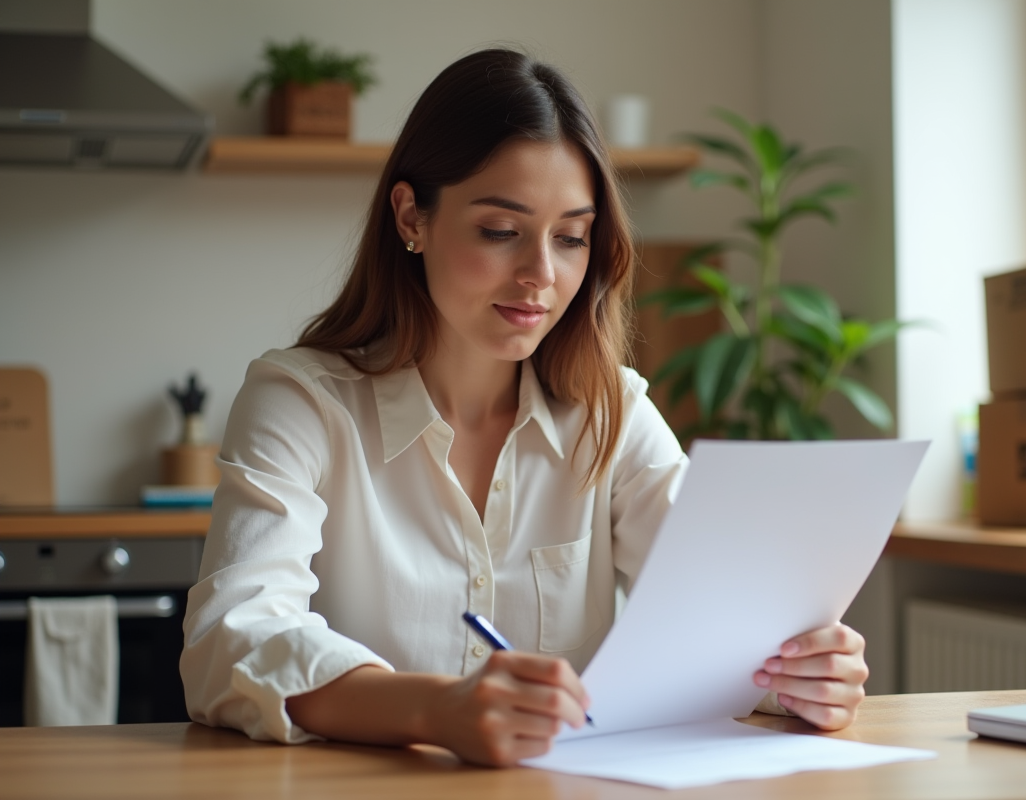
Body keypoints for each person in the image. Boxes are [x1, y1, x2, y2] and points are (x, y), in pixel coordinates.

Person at [180, 48, 869, 768]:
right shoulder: (300, 401)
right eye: (502, 231)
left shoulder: (613, 413)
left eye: (571, 237)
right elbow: (232, 638)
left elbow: (727, 616)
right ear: (411, 216)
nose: (542, 274)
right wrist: (435, 709)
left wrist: (800, 674)